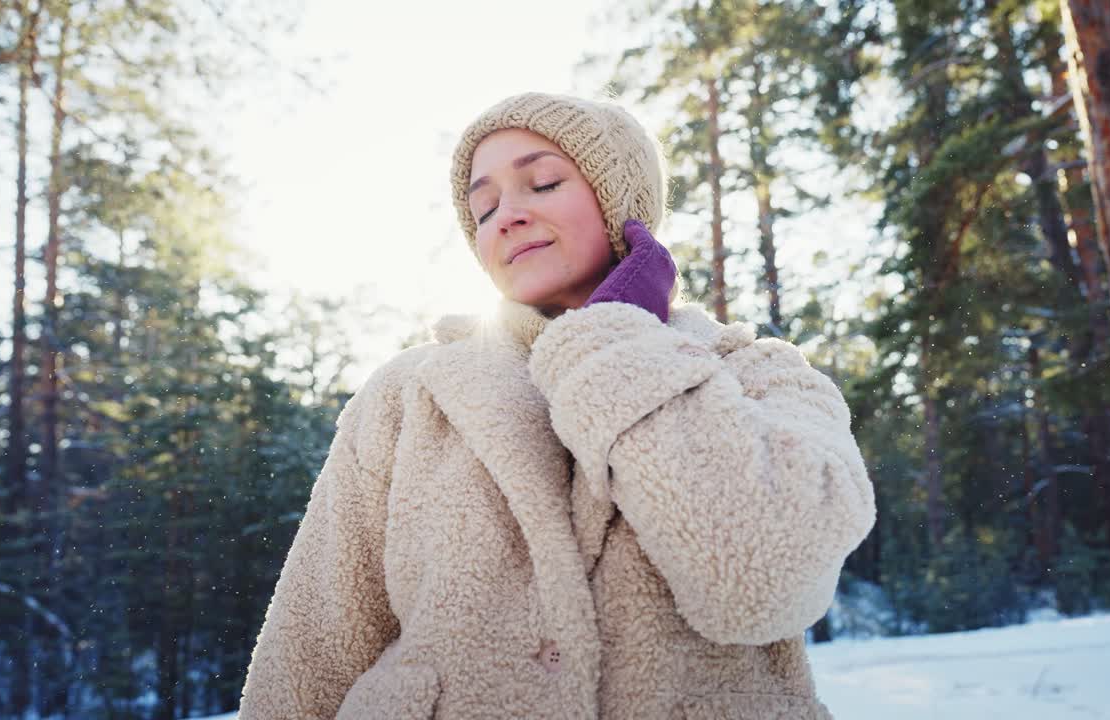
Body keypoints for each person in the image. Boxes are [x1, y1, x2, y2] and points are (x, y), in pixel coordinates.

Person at [238, 91, 875, 719]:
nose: (506, 216)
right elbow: (308, 656)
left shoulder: (760, 375)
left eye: (542, 183)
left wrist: (615, 340)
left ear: (621, 205)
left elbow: (764, 585)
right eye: (483, 208)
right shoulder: (408, 395)